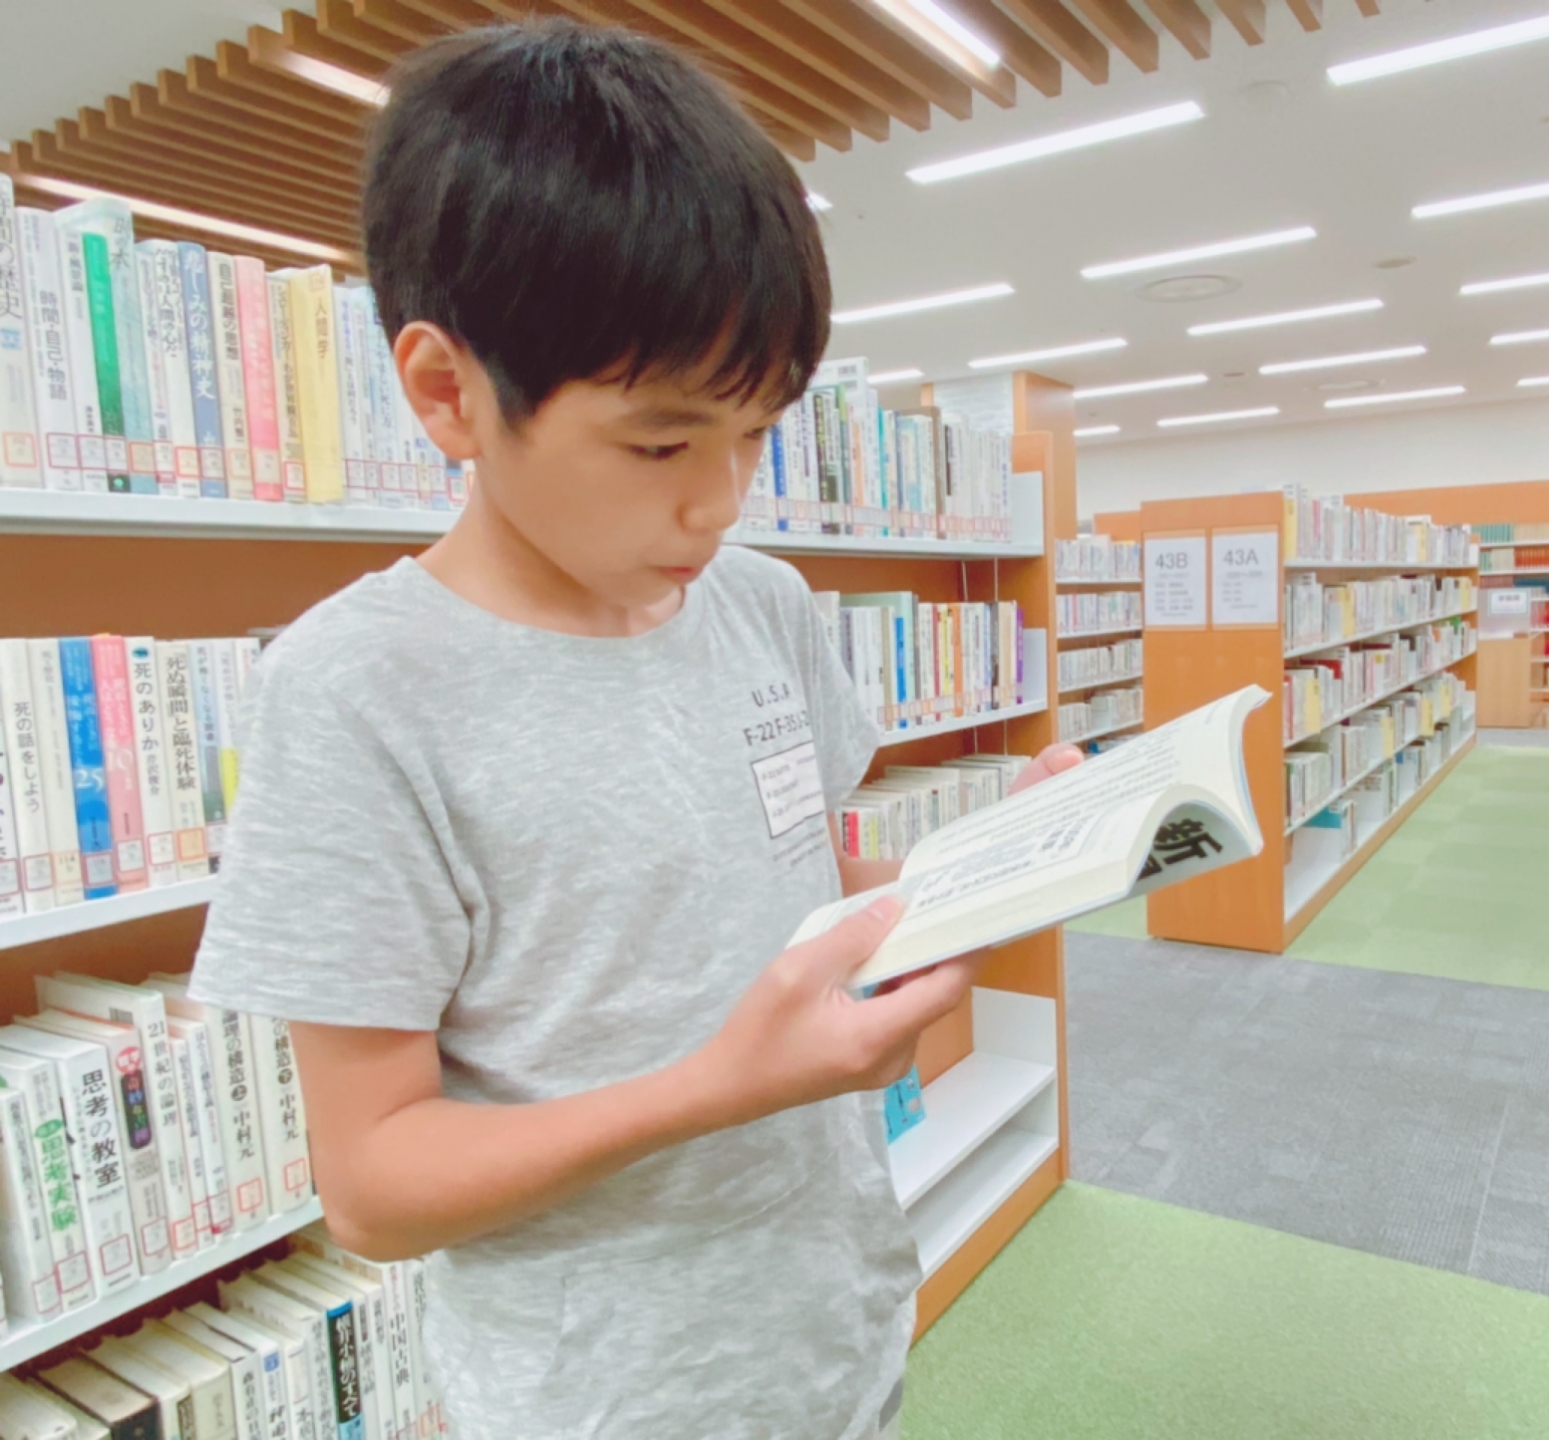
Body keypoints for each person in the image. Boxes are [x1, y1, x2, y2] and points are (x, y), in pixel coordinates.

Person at [188, 21, 1080, 1439]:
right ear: (448, 393)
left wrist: (983, 879)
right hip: (599, 1395)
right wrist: (715, 1089)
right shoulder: (357, 692)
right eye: (662, 443)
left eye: (758, 432)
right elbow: (373, 1185)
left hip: (831, 1324)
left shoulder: (763, 608)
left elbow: (792, 886)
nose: (720, 501)